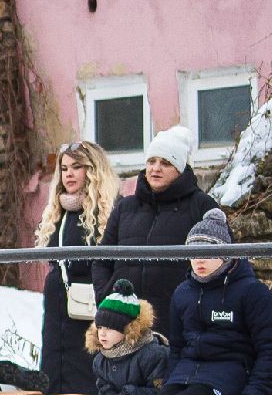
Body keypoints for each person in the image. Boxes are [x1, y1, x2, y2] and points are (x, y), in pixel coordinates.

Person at [137, 209, 272, 395]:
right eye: (193, 253)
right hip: (187, 375)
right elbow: (177, 346)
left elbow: (269, 347)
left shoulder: (250, 292)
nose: (199, 260)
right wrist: (170, 381)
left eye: (208, 253)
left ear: (225, 254)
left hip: (229, 376)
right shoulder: (184, 292)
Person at [92, 126, 217, 334]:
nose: (155, 168)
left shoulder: (201, 206)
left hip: (179, 323)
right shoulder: (125, 207)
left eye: (165, 163)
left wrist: (196, 304)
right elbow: (102, 260)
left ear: (179, 168)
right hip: (125, 323)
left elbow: (220, 262)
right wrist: (106, 297)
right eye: (151, 161)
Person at [35, 141, 120, 395]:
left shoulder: (109, 210)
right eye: (64, 168)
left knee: (89, 381)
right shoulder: (57, 213)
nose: (68, 174)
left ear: (93, 170)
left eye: (76, 167)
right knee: (54, 378)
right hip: (58, 311)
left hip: (93, 310)